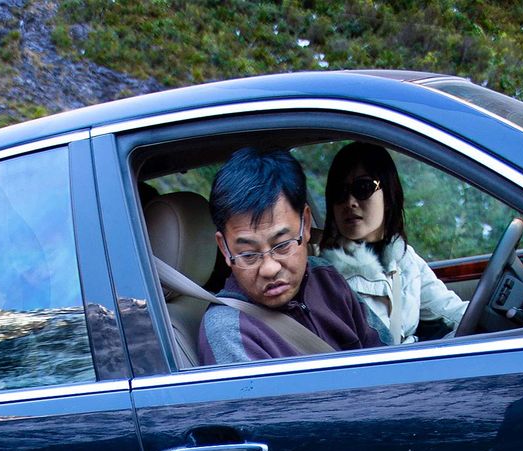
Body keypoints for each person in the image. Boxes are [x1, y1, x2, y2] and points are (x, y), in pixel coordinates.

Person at [198, 147, 391, 366]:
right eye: (249, 254)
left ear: (306, 224)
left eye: (282, 245)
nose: (269, 268)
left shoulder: (325, 277)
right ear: (224, 248)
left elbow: (386, 353)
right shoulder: (229, 330)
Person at [318, 142, 466, 344]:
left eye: (363, 187)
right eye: (339, 192)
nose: (350, 202)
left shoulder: (403, 257)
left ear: (388, 196)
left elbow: (451, 312)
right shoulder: (328, 280)